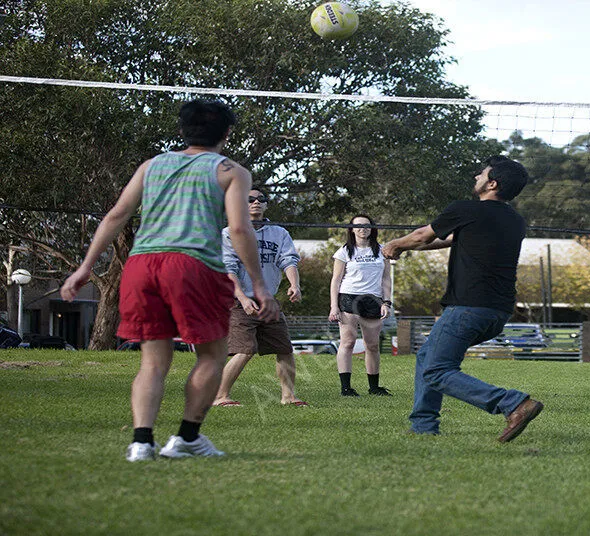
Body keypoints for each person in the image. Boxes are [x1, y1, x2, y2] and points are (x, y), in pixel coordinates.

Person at [60, 99, 279, 461]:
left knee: (152, 361)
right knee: (211, 354)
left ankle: (141, 443)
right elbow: (239, 228)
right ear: (226, 133)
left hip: (142, 265)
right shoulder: (231, 171)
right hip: (193, 266)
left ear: (183, 130)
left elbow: (117, 214)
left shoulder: (152, 165)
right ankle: (187, 439)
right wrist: (258, 283)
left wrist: (85, 267)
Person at [381, 156, 543, 442]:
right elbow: (448, 239)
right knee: (426, 357)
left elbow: (422, 235)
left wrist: (394, 244)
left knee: (437, 370)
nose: (475, 177)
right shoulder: (515, 221)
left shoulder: (465, 209)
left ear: (492, 183)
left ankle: (512, 403)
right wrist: (410, 248)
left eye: (480, 174)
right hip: (498, 312)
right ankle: (423, 426)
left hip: (469, 306)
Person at [212, 188, 307, 407]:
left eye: (261, 199)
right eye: (250, 199)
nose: (256, 202)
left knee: (284, 349)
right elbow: (229, 269)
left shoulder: (279, 233)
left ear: (266, 205)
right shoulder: (230, 232)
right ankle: (220, 396)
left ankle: (288, 396)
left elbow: (289, 260)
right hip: (240, 300)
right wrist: (244, 300)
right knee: (245, 350)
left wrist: (295, 285)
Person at [329, 214, 393, 397]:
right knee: (347, 343)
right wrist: (334, 306)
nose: (362, 229)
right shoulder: (344, 252)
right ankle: (346, 388)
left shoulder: (382, 251)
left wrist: (386, 302)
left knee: (372, 345)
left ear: (372, 228)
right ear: (351, 229)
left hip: (372, 300)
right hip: (349, 298)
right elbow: (335, 280)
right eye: (358, 226)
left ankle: (374, 387)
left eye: (366, 225)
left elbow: (386, 278)